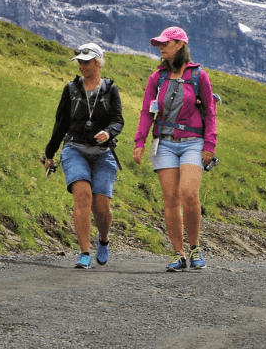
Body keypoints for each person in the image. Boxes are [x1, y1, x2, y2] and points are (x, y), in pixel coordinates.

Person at [133, 26, 217, 272]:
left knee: (188, 193)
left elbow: (210, 112)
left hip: (193, 142)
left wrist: (209, 144)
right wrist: (140, 142)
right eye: (159, 44)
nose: (160, 47)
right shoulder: (155, 78)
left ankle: (195, 247)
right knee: (170, 199)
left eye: (165, 43)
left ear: (179, 44)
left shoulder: (199, 75)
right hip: (164, 144)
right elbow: (146, 112)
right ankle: (178, 254)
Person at [44, 43, 124, 269]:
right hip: (74, 149)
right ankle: (84, 253)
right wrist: (49, 154)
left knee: (102, 207)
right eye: (79, 61)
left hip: (103, 154)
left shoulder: (110, 90)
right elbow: (60, 124)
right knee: (82, 197)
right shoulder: (70, 89)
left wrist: (108, 133)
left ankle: (104, 240)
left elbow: (118, 120)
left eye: (86, 61)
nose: (81, 65)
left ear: (98, 63)